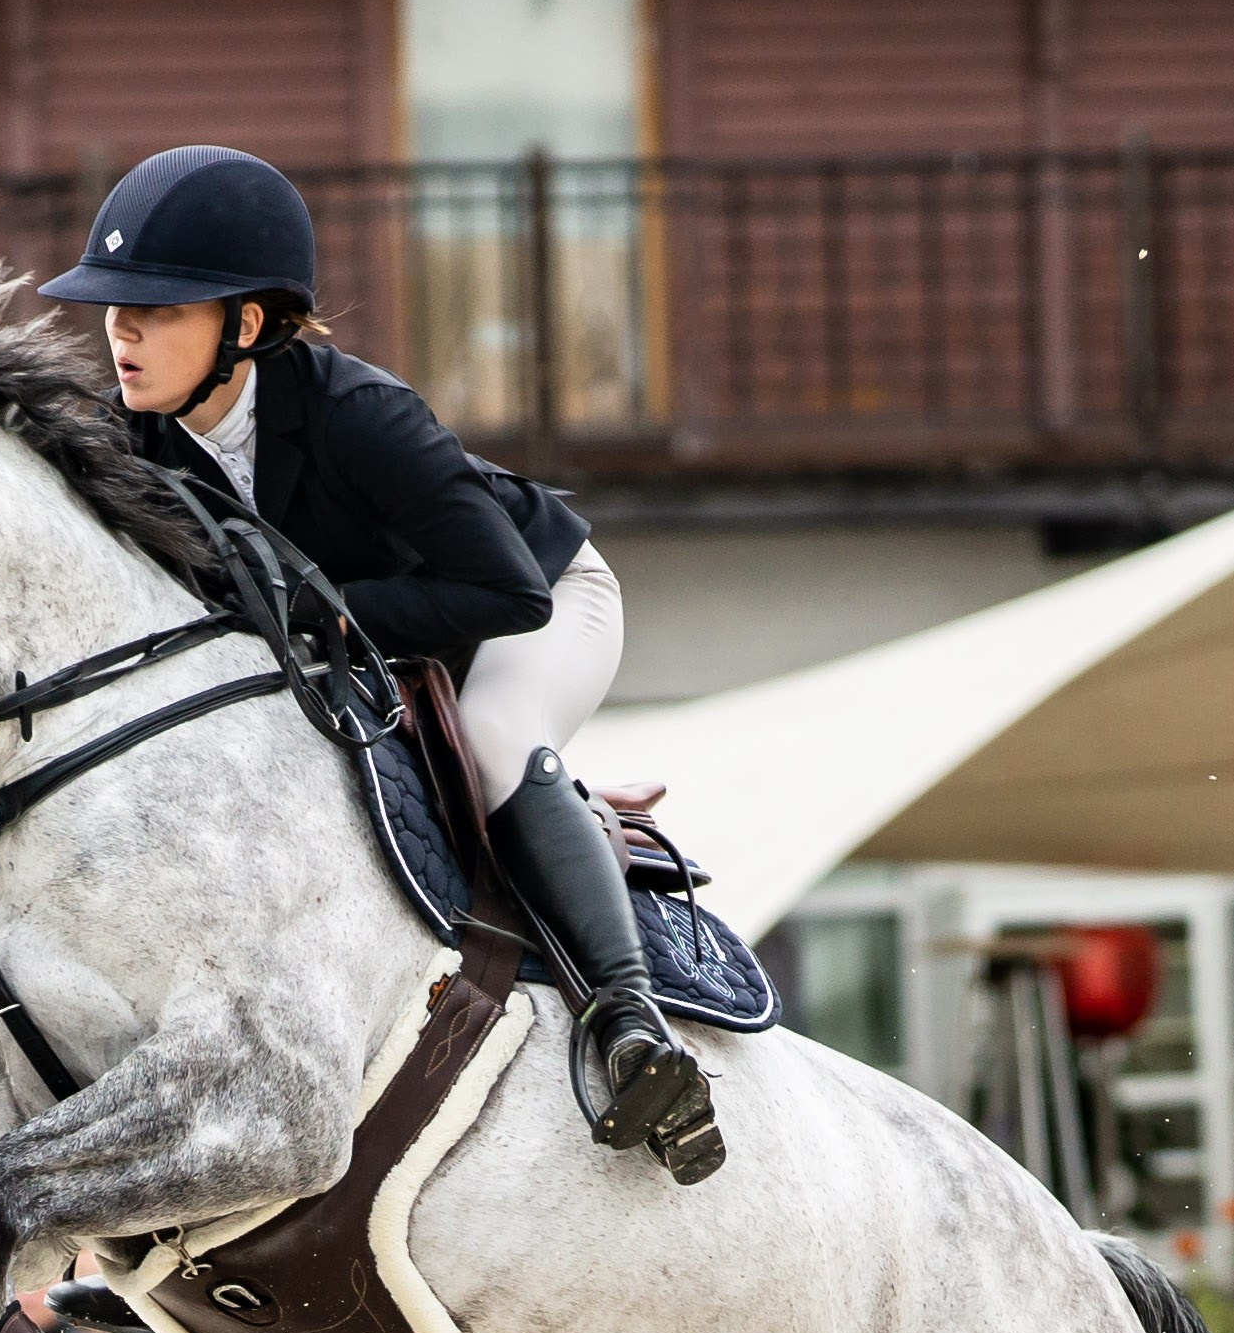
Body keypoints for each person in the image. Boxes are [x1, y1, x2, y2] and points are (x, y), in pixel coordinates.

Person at [42, 146, 724, 1186]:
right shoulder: (136, 444)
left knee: (495, 740)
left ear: (250, 326)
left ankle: (631, 1024)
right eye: (114, 307)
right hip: (375, 639)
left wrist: (305, 617)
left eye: (158, 311)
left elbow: (505, 594)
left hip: (534, 605)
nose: (122, 332)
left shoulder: (362, 416)